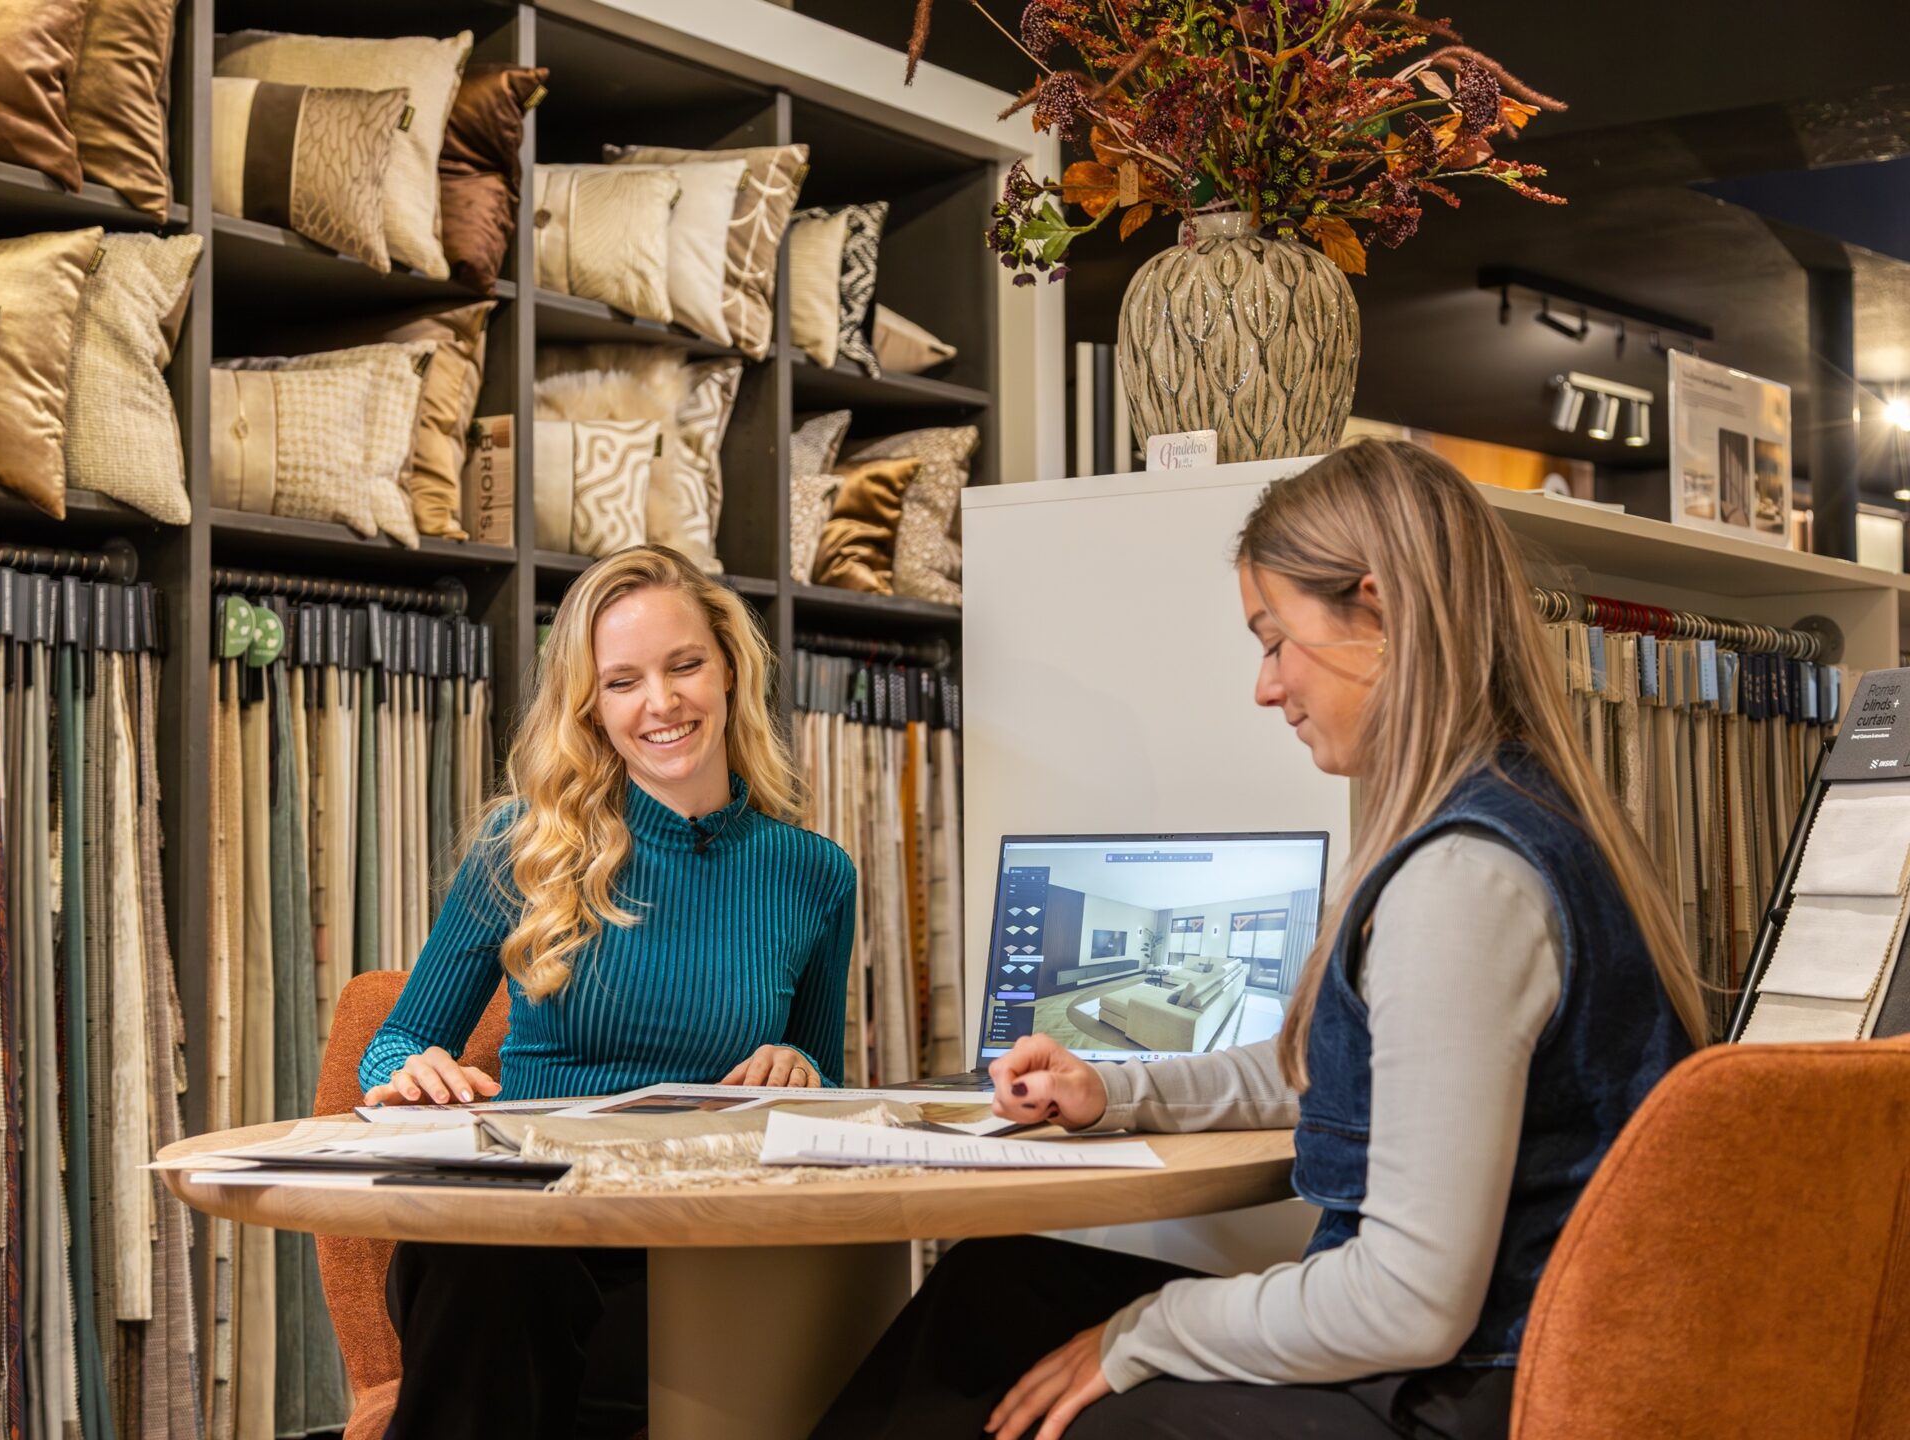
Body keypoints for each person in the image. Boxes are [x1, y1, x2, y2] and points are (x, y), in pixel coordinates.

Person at [811, 440, 1708, 1440]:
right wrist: (1116, 1090)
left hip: (1486, 1392)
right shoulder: (1513, 821)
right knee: (993, 1290)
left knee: (1052, 1396)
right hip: (1498, 1358)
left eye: (1275, 639)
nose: (1264, 685)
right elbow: (1339, 1076)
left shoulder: (1461, 884)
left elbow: (1407, 1301)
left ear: (1379, 611)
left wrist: (1148, 1327)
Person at [361, 546, 857, 1440]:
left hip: (698, 1237)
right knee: (496, 1272)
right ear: (590, 704)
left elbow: (830, 1081)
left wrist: (802, 1063)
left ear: (731, 669)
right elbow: (394, 1044)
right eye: (622, 680)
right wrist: (412, 1072)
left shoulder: (813, 873)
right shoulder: (524, 846)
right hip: (524, 1235)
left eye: (684, 666)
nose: (660, 703)